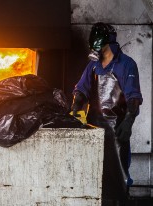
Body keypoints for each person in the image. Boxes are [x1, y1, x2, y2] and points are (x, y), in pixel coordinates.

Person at [71, 22, 143, 205]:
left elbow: (133, 97)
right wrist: (76, 109)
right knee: (94, 178)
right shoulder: (93, 66)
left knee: (118, 178)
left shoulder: (126, 65)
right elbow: (81, 90)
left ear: (107, 43)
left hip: (117, 131)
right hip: (94, 131)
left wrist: (128, 121)